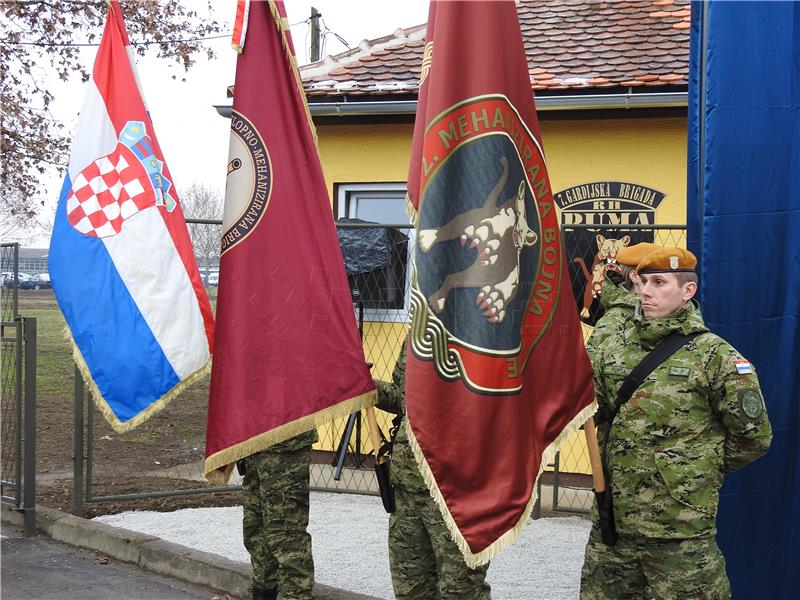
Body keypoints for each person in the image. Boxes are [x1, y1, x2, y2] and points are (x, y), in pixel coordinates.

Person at [580, 246, 772, 599]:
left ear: (687, 291)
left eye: (659, 282)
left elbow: (755, 438)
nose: (646, 291)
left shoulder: (715, 357)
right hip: (613, 530)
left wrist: (692, 471)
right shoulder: (613, 348)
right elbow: (591, 411)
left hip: (680, 534)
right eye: (643, 281)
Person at [375, 340, 492, 600]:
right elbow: (401, 398)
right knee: (410, 584)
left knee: (460, 588)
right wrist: (366, 385)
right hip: (408, 486)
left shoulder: (481, 333)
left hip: (455, 489)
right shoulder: (417, 334)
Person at [238, 430, 317, 600]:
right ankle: (263, 593)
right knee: (255, 529)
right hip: (253, 439)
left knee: (286, 535)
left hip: (285, 440)